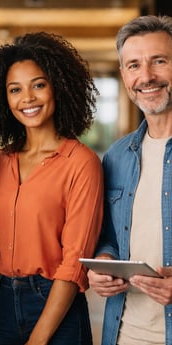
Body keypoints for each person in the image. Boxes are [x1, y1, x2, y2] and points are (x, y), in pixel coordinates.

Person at [0, 31, 103, 345]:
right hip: (0, 300)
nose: (27, 98)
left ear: (58, 87)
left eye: (38, 85)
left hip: (55, 302)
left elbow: (75, 262)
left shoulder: (81, 163)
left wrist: (39, 338)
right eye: (15, 89)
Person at [87, 15, 172, 345]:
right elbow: (110, 235)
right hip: (124, 334)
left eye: (159, 61)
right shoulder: (117, 156)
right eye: (134, 65)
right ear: (124, 75)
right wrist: (104, 264)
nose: (146, 76)